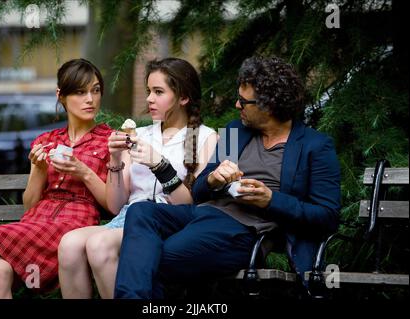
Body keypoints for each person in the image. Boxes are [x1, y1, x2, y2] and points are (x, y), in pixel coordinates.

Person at [114, 56, 341, 299]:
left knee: (161, 256)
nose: (236, 105)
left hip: (246, 230)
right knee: (141, 212)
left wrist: (270, 200)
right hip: (203, 214)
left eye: (244, 102)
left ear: (269, 105)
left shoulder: (314, 146)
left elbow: (327, 216)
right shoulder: (236, 131)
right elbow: (199, 191)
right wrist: (213, 179)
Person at [58, 57, 217, 299]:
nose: (149, 99)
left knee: (99, 245)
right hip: (127, 216)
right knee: (69, 245)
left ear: (183, 97)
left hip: (167, 222)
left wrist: (159, 164)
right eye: (149, 91)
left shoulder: (203, 138)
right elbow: (115, 205)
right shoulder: (138, 134)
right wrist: (115, 157)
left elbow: (190, 205)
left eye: (158, 92)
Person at [0, 58, 112, 298]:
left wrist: (83, 171)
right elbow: (30, 205)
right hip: (36, 223)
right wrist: (39, 169)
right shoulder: (46, 140)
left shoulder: (109, 140)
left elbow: (112, 204)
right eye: (80, 92)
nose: (90, 99)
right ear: (61, 96)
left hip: (73, 225)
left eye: (95, 90)